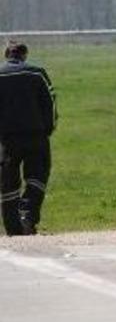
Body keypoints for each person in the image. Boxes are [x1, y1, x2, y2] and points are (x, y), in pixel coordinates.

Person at [0, 41, 56, 236]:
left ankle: (12, 227)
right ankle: (28, 215)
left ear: (6, 55)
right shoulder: (37, 73)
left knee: (8, 182)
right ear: (24, 55)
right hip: (36, 136)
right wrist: (47, 129)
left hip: (6, 139)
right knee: (37, 178)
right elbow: (50, 103)